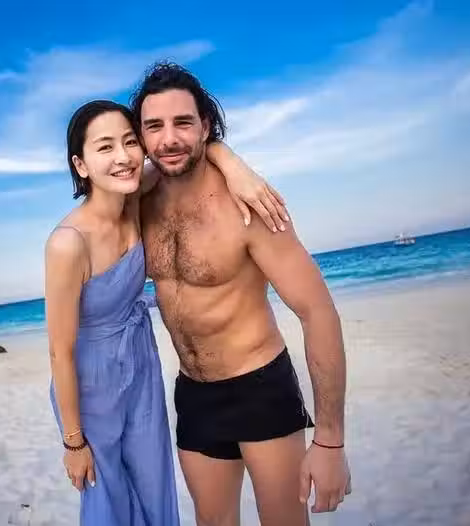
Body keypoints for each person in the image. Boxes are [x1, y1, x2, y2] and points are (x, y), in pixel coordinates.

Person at [45, 99, 290, 526]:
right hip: (92, 386)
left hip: (141, 369)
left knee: (154, 489)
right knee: (109, 502)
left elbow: (184, 150)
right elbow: (59, 352)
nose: (123, 157)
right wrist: (73, 442)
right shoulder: (68, 244)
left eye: (129, 142)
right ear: (80, 165)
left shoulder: (134, 199)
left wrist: (236, 168)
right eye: (105, 147)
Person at [132, 62, 351, 526]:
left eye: (183, 122)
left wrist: (330, 440)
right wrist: (227, 156)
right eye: (154, 126)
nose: (169, 138)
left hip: (259, 387)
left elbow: (317, 311)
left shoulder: (250, 204)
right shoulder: (139, 204)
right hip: (193, 395)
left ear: (205, 126)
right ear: (142, 135)